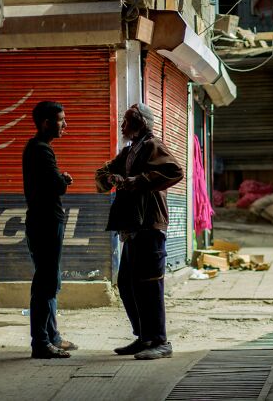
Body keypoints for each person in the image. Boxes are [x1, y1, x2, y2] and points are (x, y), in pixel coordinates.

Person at [95, 103, 183, 360]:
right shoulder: (131, 150)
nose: (122, 126)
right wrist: (109, 178)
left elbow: (174, 171)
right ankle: (144, 336)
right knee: (127, 283)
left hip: (150, 225)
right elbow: (106, 171)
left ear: (141, 123)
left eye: (126, 121)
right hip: (134, 226)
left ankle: (160, 341)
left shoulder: (152, 145)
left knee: (149, 285)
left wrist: (139, 181)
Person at [22, 101, 78, 359]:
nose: (65, 125)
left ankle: (52, 336)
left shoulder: (37, 149)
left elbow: (49, 182)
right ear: (46, 123)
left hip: (42, 221)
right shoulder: (42, 150)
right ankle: (41, 343)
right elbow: (56, 185)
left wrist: (58, 179)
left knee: (50, 279)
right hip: (45, 222)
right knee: (45, 283)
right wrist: (63, 180)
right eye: (61, 120)